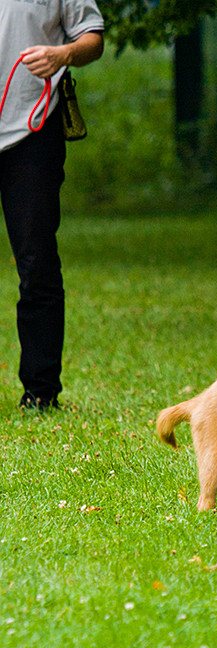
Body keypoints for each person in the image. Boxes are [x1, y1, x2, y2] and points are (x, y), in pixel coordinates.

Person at [1, 1, 104, 412]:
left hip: (33, 129)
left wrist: (63, 54)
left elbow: (92, 39)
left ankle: (41, 391)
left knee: (36, 262)